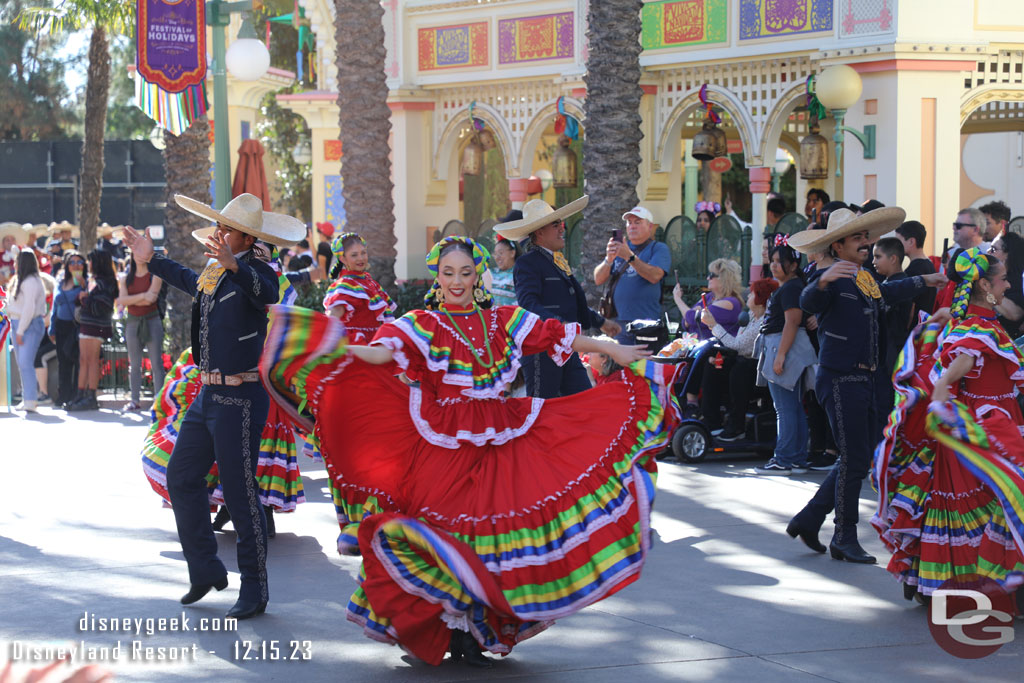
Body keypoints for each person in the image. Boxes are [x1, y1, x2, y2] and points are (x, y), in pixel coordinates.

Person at [259, 235, 678, 667]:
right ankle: (449, 629)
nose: (456, 281)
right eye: (448, 273)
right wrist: (337, 348)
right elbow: (382, 354)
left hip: (503, 440)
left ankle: (478, 630)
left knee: (491, 538)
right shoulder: (421, 323)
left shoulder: (503, 320)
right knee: (445, 533)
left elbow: (558, 337)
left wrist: (611, 349)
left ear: (478, 275)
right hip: (444, 444)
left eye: (465, 272)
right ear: (437, 278)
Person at [122, 192, 304, 620]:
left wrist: (235, 265)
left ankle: (254, 589)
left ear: (246, 238)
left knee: (241, 496)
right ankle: (205, 569)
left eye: (228, 230)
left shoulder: (257, 270)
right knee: (181, 476)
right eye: (219, 227)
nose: (220, 234)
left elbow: (267, 293)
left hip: (241, 397)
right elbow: (187, 279)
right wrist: (151, 258)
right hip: (208, 395)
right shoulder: (213, 272)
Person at [785, 208, 948, 563]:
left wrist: (926, 281)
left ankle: (810, 518)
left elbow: (887, 293)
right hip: (841, 377)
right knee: (855, 457)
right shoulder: (830, 276)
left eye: (866, 237)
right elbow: (807, 302)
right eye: (858, 239)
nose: (865, 243)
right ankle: (843, 536)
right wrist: (824, 281)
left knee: (858, 456)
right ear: (839, 245)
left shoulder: (864, 278)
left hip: (866, 378)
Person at [872, 249, 1024, 603]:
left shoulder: (981, 324)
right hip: (981, 432)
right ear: (985, 285)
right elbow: (944, 383)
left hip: (997, 425)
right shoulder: (976, 330)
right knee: (996, 504)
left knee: (996, 505)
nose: (1007, 285)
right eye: (1002, 280)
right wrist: (950, 423)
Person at [506, 196, 620, 398]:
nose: (562, 229)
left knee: (584, 403)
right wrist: (559, 325)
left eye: (561, 224)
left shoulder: (556, 261)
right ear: (540, 231)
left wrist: (601, 322)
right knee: (542, 410)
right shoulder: (527, 263)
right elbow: (528, 305)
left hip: (567, 347)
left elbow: (573, 302)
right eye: (556, 224)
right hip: (542, 351)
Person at [753, 245, 816, 475]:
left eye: (780, 261)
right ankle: (796, 458)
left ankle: (784, 459)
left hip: (783, 346)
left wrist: (780, 355)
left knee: (785, 408)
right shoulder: (792, 286)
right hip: (782, 345)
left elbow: (792, 321)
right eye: (773, 260)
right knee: (793, 406)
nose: (775, 264)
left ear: (794, 265)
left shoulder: (791, 287)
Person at [702, 277, 778, 441]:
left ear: (760, 299)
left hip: (759, 368)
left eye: (751, 295)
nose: (748, 298)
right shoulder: (751, 315)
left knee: (740, 369)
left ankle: (737, 426)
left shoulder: (763, 322)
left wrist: (714, 325)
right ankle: (712, 421)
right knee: (713, 364)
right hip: (744, 360)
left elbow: (738, 345)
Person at [594, 205, 670, 344]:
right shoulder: (621, 248)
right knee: (619, 365)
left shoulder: (658, 248)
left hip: (646, 323)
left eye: (638, 222)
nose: (632, 226)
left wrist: (629, 257)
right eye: (629, 223)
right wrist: (608, 260)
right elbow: (598, 279)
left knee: (643, 365)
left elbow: (655, 276)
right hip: (618, 323)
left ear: (650, 226)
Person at [67, 250, 118, 412]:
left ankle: (90, 396)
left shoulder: (105, 282)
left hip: (97, 325)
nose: (88, 264)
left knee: (92, 360)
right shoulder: (94, 280)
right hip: (88, 324)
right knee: (84, 359)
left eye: (90, 261)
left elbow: (102, 305)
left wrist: (84, 298)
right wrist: (83, 294)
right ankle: (81, 394)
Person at [323, 232, 396, 343]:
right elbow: (336, 311)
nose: (361, 258)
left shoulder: (368, 281)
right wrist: (324, 335)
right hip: (356, 343)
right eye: (354, 255)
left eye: (363, 253)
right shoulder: (346, 284)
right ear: (343, 259)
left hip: (374, 341)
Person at [117, 248, 165, 412]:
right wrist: (143, 296)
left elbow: (152, 298)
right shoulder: (125, 278)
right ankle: (134, 400)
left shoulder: (155, 274)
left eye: (141, 252)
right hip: (132, 323)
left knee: (156, 363)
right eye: (136, 252)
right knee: (135, 364)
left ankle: (158, 401)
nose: (139, 255)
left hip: (152, 321)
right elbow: (121, 300)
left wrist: (134, 299)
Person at [4, 250, 47, 412]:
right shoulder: (20, 280)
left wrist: (21, 330)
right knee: (22, 363)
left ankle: (30, 399)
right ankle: (28, 398)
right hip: (17, 323)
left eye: (16, 261)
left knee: (25, 362)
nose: (14, 264)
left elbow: (29, 308)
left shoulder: (31, 282)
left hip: (28, 325)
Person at [49, 251, 85, 408]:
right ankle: (63, 395)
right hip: (61, 326)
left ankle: (76, 396)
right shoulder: (60, 283)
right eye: (72, 262)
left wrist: (83, 286)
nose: (76, 265)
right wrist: (52, 328)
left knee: (77, 361)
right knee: (63, 362)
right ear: (67, 266)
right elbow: (54, 307)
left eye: (79, 262)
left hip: (76, 326)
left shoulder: (85, 282)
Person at [894, 220, 937, 323]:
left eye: (898, 241)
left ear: (911, 241)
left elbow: (910, 308)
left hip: (915, 329)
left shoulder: (914, 269)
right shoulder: (929, 265)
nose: (896, 246)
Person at [989, 232, 1024, 339]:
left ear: (1008, 254)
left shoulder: (1019, 281)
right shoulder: (991, 277)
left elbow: (1015, 314)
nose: (988, 252)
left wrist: (988, 292)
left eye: (993, 249)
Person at [490, 237, 518, 306]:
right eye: (495, 254)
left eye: (501, 253)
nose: (497, 257)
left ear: (512, 253)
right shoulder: (491, 273)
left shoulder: (519, 274)